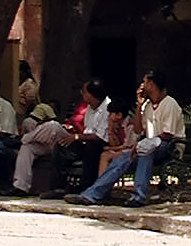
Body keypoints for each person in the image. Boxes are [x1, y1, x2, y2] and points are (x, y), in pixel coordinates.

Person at [78, 68, 184, 208]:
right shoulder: (148, 106)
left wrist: (144, 144)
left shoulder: (170, 103)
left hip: (169, 145)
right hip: (149, 144)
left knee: (146, 151)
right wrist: (140, 105)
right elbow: (138, 129)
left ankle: (138, 196)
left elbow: (167, 134)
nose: (142, 85)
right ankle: (92, 194)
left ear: (152, 84)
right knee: (122, 158)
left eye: (145, 82)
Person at [12, 103, 75, 196]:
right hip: (46, 144)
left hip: (65, 144)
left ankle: (22, 139)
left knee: (52, 126)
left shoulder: (53, 124)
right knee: (26, 147)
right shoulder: (34, 123)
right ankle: (21, 186)